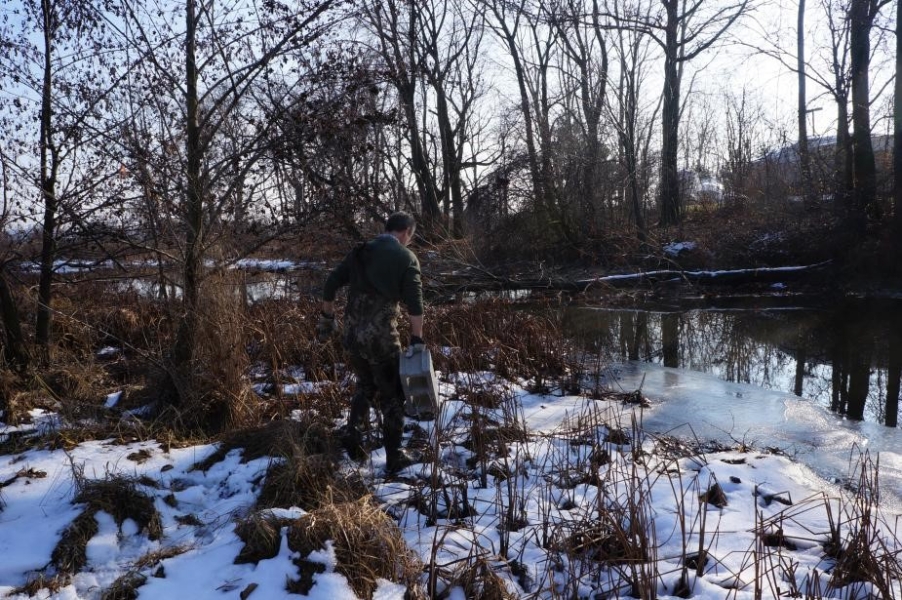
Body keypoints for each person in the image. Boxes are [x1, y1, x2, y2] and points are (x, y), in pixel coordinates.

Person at [317, 212, 425, 473]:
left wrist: (327, 317)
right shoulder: (406, 258)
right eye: (411, 236)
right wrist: (416, 339)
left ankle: (352, 434)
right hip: (380, 340)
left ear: (385, 228)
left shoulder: (360, 252)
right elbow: (415, 305)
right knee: (393, 396)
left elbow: (330, 284)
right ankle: (394, 457)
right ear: (407, 233)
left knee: (365, 385)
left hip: (352, 337)